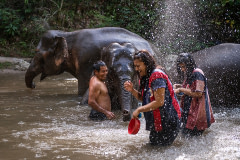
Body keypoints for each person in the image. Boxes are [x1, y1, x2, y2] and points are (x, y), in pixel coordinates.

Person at [124, 50, 181, 146]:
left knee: (161, 149)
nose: (136, 69)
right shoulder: (146, 77)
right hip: (159, 121)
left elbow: (159, 102)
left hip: (169, 121)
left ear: (146, 64)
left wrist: (139, 109)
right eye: (135, 66)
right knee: (154, 146)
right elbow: (145, 99)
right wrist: (132, 90)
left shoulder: (156, 75)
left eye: (138, 66)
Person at [174, 53, 215, 137]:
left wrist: (181, 89)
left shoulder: (197, 73)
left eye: (184, 67)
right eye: (181, 67)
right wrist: (179, 86)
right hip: (189, 111)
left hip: (196, 112)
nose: (182, 69)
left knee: (191, 137)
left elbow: (198, 93)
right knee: (185, 136)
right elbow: (191, 88)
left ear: (189, 64)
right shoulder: (190, 73)